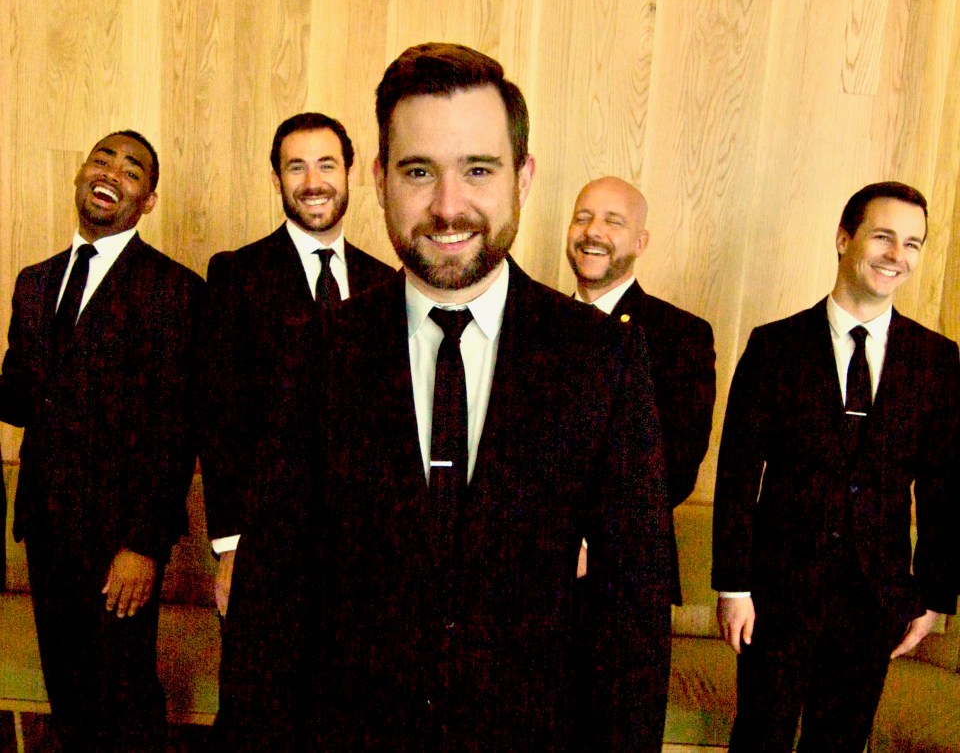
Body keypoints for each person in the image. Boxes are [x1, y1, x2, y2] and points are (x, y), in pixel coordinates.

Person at [279, 42, 672, 750]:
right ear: (380, 180)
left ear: (523, 176)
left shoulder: (604, 360)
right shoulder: (317, 351)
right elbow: (274, 600)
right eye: (419, 171)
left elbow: (631, 617)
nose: (448, 206)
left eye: (479, 170)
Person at [712, 181, 960, 752]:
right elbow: (737, 475)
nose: (897, 255)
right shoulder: (773, 346)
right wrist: (733, 585)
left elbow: (944, 489)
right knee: (759, 738)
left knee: (842, 742)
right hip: (776, 594)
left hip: (875, 598)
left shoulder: (937, 360)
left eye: (913, 243)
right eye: (883, 237)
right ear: (844, 239)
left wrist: (932, 597)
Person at [0, 130, 203, 751]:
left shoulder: (175, 290)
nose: (112, 171)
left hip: (121, 544)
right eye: (102, 159)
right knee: (69, 701)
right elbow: (19, 401)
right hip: (45, 528)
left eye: (132, 170)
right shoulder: (35, 282)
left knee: (125, 703)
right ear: (81, 174)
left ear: (148, 201)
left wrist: (143, 545)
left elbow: (176, 430)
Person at [200, 112, 394, 740]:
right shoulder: (235, 274)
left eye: (326, 164)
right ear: (276, 179)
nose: (313, 181)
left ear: (352, 174)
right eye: (296, 166)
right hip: (264, 549)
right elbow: (221, 419)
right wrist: (230, 549)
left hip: (361, 556)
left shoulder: (386, 283)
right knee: (258, 719)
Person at [566, 176, 715, 603]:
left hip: (626, 580)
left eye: (613, 221)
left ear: (640, 242)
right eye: (582, 217)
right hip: (532, 576)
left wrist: (586, 541)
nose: (593, 231)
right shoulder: (533, 326)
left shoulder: (681, 335)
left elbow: (674, 467)